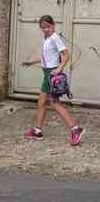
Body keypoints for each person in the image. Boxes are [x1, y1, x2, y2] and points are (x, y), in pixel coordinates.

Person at [21, 15, 84, 145]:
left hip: (51, 74)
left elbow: (66, 54)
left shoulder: (55, 38)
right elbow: (46, 57)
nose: (45, 29)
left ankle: (75, 129)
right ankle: (37, 131)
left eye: (48, 27)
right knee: (41, 102)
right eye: (43, 27)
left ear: (53, 25)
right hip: (47, 74)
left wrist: (59, 68)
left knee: (54, 103)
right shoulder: (46, 39)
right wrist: (31, 62)